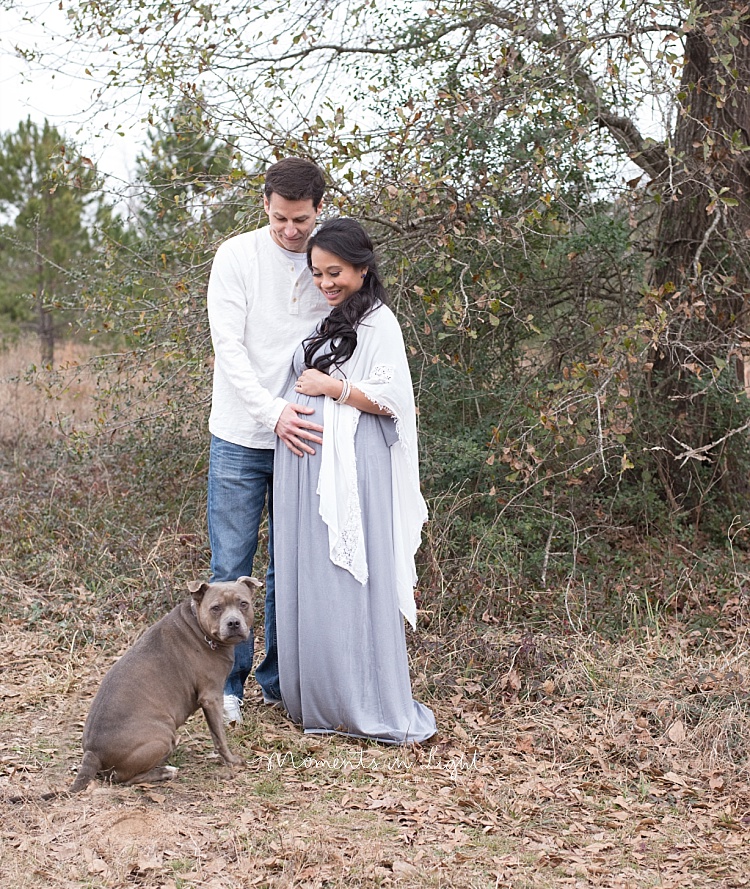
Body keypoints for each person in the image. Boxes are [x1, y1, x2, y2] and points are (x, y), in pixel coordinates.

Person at [274, 217, 437, 744]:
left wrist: (331, 387)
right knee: (314, 575)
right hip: (310, 463)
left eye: (336, 272)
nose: (326, 283)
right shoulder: (334, 319)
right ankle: (318, 696)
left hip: (353, 465)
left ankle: (358, 696)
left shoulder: (379, 322)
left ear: (363, 269)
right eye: (318, 273)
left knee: (349, 576)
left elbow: (392, 401)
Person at [206, 158, 331, 725]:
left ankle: (278, 683)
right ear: (265, 206)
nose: (290, 231)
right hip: (239, 433)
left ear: (319, 209)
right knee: (232, 563)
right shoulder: (236, 256)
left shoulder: (326, 256)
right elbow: (228, 348)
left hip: (302, 436)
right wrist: (271, 411)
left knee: (291, 566)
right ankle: (225, 687)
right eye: (280, 218)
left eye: (300, 219)